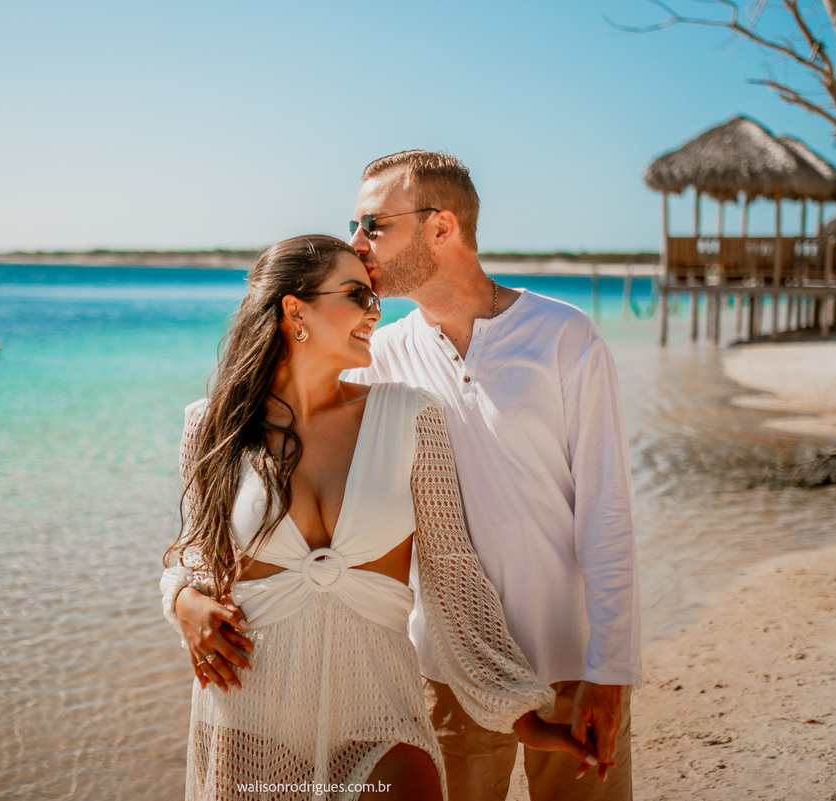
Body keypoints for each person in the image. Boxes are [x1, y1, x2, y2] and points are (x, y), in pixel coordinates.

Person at [161, 234, 596, 801]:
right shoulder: (210, 425)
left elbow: (452, 575)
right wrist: (182, 602)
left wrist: (518, 712)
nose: (376, 310)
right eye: (357, 295)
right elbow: (192, 555)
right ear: (296, 310)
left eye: (374, 297)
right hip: (249, 716)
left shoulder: (410, 416)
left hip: (378, 715)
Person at [342, 151, 642, 801]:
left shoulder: (563, 337)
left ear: (441, 226)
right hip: (447, 672)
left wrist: (612, 668)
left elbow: (606, 512)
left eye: (372, 223)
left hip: (571, 665)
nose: (355, 243)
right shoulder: (380, 357)